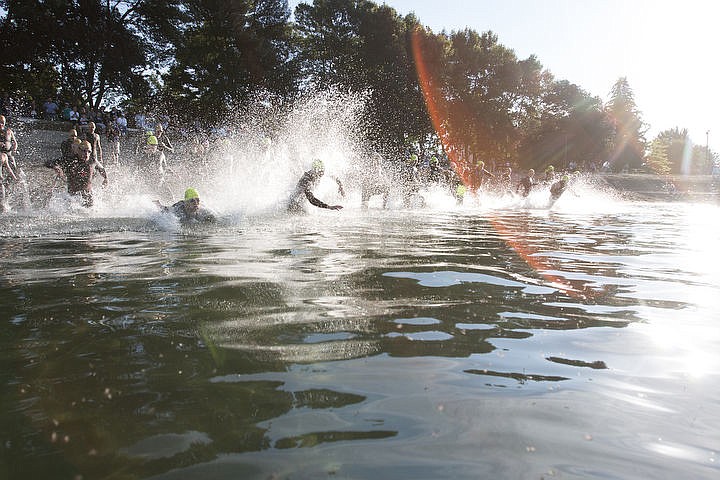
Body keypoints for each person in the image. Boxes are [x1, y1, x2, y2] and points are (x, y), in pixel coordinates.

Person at [45, 139, 108, 207]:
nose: (86, 154)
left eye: (89, 152)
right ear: (78, 150)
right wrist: (56, 167)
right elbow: (48, 162)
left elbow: (102, 169)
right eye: (84, 151)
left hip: (87, 195)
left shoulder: (92, 161)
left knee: (90, 212)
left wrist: (106, 178)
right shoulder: (69, 159)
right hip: (73, 196)